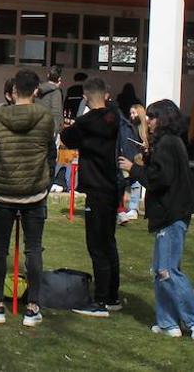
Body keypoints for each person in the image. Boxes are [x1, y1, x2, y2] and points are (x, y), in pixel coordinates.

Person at [119, 99, 194, 341]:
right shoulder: (167, 143)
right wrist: (148, 158)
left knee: (167, 270)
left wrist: (134, 168)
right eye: (148, 116)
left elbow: (161, 179)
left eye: (152, 116)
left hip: (172, 214)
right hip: (168, 214)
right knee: (160, 271)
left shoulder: (168, 143)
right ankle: (167, 322)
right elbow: (161, 171)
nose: (147, 121)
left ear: (164, 118)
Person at [0, 68, 56, 326]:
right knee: (34, 249)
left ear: (12, 92)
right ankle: (32, 307)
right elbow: (49, 154)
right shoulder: (45, 118)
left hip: (4, 193)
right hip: (35, 193)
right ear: (35, 91)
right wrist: (46, 180)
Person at [59, 76, 121, 316]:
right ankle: (112, 295)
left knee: (96, 246)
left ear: (85, 97)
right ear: (106, 94)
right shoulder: (115, 117)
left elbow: (66, 138)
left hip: (95, 188)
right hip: (111, 186)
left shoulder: (84, 122)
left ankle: (101, 300)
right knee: (109, 243)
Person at [119, 102, 149, 225]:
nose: (131, 115)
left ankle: (133, 208)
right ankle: (126, 208)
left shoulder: (144, 128)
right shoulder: (129, 127)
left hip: (139, 158)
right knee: (127, 183)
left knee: (136, 184)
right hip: (130, 156)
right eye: (130, 113)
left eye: (134, 113)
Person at [35, 65, 65, 131]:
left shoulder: (38, 90)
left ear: (48, 75)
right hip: (50, 128)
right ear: (59, 78)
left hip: (37, 126)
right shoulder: (56, 92)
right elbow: (56, 112)